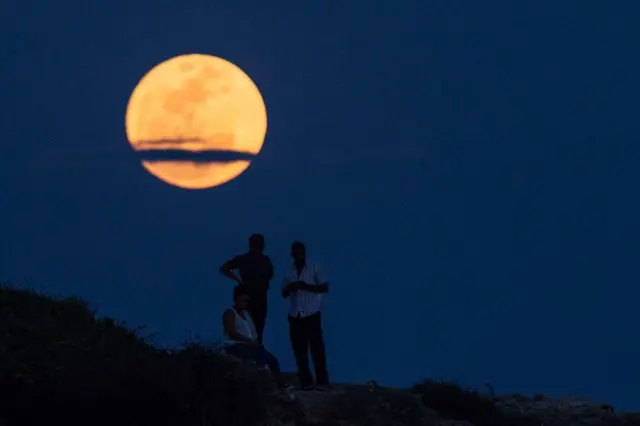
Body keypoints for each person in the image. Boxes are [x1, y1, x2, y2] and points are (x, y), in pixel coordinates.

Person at [282, 241, 331, 391]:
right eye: (295, 252)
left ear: (304, 252)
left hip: (311, 313)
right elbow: (283, 293)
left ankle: (322, 382)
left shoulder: (315, 267)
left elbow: (324, 287)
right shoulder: (289, 271)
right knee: (299, 351)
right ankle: (306, 381)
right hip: (295, 315)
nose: (297, 255)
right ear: (292, 254)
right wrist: (290, 288)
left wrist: (305, 286)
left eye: (300, 252)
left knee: (317, 349)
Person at [219, 285, 289, 388]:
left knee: (272, 359)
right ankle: (258, 381)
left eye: (247, 301)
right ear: (236, 299)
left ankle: (280, 384)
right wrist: (249, 342)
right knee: (258, 357)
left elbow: (253, 334)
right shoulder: (230, 313)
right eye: (243, 300)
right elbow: (231, 332)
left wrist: (256, 343)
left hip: (250, 346)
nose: (245, 303)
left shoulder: (247, 315)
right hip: (234, 346)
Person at [219, 233, 274, 344]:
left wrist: (238, 280)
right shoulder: (266, 261)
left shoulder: (243, 259)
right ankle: (255, 357)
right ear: (262, 246)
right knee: (257, 333)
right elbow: (269, 277)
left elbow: (224, 268)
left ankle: (248, 355)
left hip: (246, 299)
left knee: (244, 330)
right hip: (260, 301)